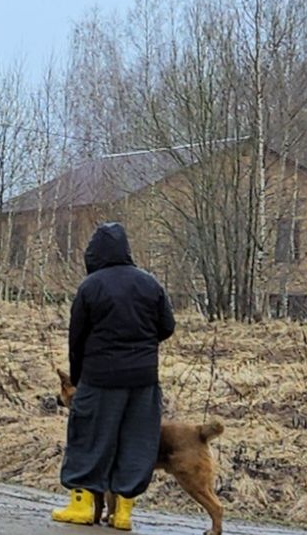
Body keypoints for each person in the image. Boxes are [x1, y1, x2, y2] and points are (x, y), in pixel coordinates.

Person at [52, 222, 175, 531]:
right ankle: (123, 512)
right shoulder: (150, 283)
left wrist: (78, 377)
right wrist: (142, 347)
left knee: (89, 438)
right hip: (143, 380)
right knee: (134, 441)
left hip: (100, 377)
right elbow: (167, 327)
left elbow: (76, 338)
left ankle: (81, 506)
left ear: (94, 254)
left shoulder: (91, 286)